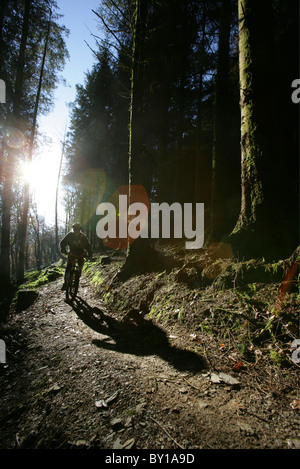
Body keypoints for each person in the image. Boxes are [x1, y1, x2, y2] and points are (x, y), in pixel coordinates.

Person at [60, 223, 92, 290]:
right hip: (72, 253)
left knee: (80, 267)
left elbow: (88, 246)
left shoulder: (83, 237)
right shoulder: (70, 235)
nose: (76, 231)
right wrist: (63, 249)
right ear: (73, 229)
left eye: (78, 230)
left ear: (80, 230)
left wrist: (90, 253)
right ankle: (65, 283)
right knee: (68, 267)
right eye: (75, 230)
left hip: (80, 254)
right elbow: (62, 242)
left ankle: (77, 280)